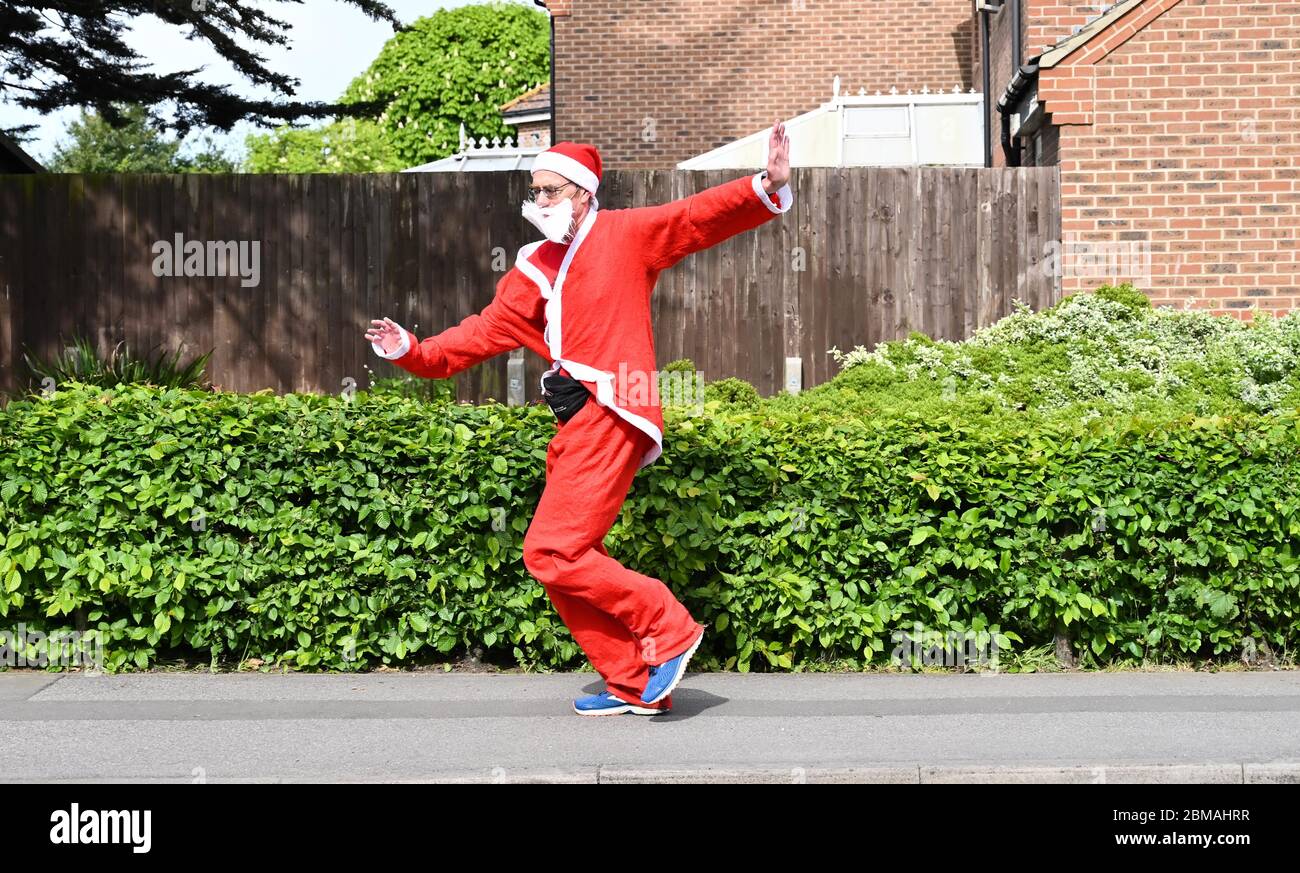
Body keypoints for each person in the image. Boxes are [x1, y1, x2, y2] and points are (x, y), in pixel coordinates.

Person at [365, 122, 793, 716]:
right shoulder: (534, 267)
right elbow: (479, 334)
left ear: (584, 194)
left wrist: (762, 186)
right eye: (533, 190)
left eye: (549, 191)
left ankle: (667, 629)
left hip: (613, 408)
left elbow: (692, 218)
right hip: (577, 421)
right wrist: (410, 350)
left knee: (552, 551)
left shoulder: (623, 235)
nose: (536, 201)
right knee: (554, 557)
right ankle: (633, 681)